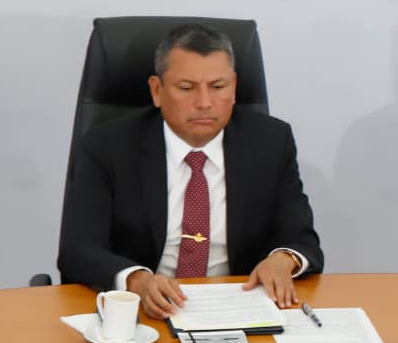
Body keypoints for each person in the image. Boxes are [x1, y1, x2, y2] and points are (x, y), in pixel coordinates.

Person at [58, 23, 323, 318]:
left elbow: (302, 240)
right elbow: (78, 251)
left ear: (234, 87)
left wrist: (284, 259)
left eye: (218, 87)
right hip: (144, 315)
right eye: (186, 88)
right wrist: (136, 280)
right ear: (157, 91)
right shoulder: (107, 147)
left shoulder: (271, 142)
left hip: (238, 311)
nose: (204, 103)